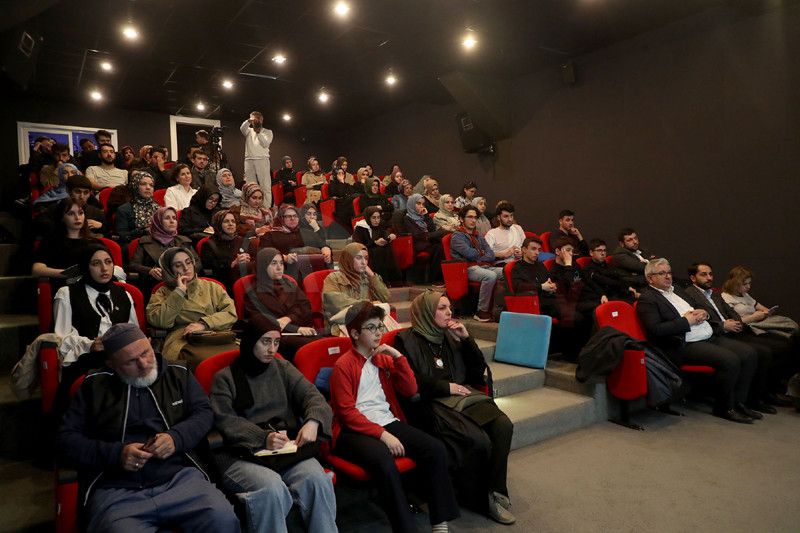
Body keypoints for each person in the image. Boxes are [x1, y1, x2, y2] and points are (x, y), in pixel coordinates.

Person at [56, 323, 239, 532]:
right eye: (131, 361)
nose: (144, 364)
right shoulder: (94, 386)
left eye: (146, 353)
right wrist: (117, 454)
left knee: (222, 519)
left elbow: (204, 413)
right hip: (117, 488)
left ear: (151, 344)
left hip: (178, 477)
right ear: (111, 364)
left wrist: (175, 438)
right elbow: (66, 439)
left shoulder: (178, 374)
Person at [330, 301, 460, 533]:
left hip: (386, 421)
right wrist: (382, 435)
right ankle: (405, 528)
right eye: (371, 328)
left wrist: (398, 356)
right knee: (384, 461)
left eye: (379, 326)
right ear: (355, 334)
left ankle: (440, 521)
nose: (378, 332)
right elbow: (347, 414)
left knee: (435, 449)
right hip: (352, 431)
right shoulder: (344, 365)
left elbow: (410, 390)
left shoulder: (382, 358)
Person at [395, 291, 515, 524]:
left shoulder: (449, 336)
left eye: (449, 307)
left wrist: (466, 339)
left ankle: (496, 489)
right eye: (442, 308)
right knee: (478, 440)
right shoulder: (405, 340)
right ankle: (481, 499)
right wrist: (444, 387)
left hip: (461, 397)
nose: (449, 312)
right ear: (426, 312)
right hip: (431, 402)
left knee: (503, 426)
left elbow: (476, 371)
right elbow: (408, 380)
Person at [209, 318, 336, 533]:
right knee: (271, 488)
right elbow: (225, 420)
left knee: (318, 480)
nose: (272, 349)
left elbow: (313, 397)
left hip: (283, 449)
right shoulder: (225, 378)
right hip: (241, 453)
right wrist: (262, 438)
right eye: (265, 341)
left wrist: (313, 421)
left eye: (276, 342)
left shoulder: (282, 367)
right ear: (250, 341)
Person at [636, 258, 760, 423]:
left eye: (669, 272)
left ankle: (739, 402)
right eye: (662, 273)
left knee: (750, 354)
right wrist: (686, 321)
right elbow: (656, 330)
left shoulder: (677, 290)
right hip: (684, 343)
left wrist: (704, 313)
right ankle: (725, 408)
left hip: (707, 334)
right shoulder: (647, 299)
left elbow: (700, 306)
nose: (668, 276)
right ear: (650, 278)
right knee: (731, 360)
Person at [685, 263, 789, 413]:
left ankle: (759, 396)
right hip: (716, 333)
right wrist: (723, 325)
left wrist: (735, 321)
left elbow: (731, 312)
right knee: (757, 352)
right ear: (693, 278)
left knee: (772, 349)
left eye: (711, 274)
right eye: (704, 274)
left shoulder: (715, 293)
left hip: (734, 330)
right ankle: (747, 399)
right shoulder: (689, 294)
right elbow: (700, 319)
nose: (709, 278)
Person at [52, 244, 139, 406]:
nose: (104, 268)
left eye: (108, 262)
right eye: (96, 263)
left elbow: (133, 331)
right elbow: (61, 340)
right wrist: (91, 345)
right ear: (86, 267)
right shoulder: (67, 293)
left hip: (121, 357)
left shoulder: (124, 294)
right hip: (85, 359)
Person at [146, 247, 237, 361]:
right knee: (203, 358)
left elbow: (230, 313)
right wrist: (179, 292)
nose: (186, 268)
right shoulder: (162, 292)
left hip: (217, 335)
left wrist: (204, 324)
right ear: (169, 270)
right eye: (178, 265)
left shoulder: (212, 287)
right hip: (183, 338)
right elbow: (161, 321)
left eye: (188, 262)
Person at [241, 249, 318, 361]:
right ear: (263, 266)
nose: (279, 267)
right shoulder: (252, 293)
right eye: (273, 263)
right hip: (274, 340)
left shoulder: (289, 284)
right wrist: (296, 329)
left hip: (301, 332)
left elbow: (305, 309)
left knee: (329, 344)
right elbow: (261, 324)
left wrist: (288, 319)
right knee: (316, 348)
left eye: (281, 263)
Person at [249, 204, 333, 281]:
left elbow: (323, 245)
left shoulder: (307, 233)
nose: (293, 218)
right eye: (288, 216)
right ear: (281, 218)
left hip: (309, 271)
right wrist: (284, 258)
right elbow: (263, 254)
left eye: (295, 216)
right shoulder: (270, 235)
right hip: (283, 274)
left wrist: (326, 250)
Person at [450, 205, 504, 322]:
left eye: (475, 217)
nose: (473, 220)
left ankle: (501, 309)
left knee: (508, 271)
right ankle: (481, 311)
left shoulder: (478, 235)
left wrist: (479, 254)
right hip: (467, 268)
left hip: (484, 266)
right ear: (461, 219)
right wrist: (481, 253)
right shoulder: (457, 236)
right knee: (490, 276)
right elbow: (470, 254)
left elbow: (491, 255)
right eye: (470, 217)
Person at [322, 243, 391, 335]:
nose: (364, 262)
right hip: (342, 324)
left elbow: (384, 298)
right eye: (359, 258)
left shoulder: (367, 279)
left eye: (366, 258)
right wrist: (367, 304)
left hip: (368, 321)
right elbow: (335, 303)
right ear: (349, 259)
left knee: (387, 327)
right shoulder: (333, 278)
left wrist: (372, 276)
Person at [32, 198, 101, 291]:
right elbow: (36, 269)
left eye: (80, 213)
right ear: (62, 218)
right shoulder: (51, 241)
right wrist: (68, 274)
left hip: (93, 289)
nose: (77, 217)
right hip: (65, 290)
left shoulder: (95, 242)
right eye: (71, 214)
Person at [127, 207, 198, 295]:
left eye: (174, 218)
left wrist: (186, 272)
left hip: (187, 284)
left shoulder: (184, 241)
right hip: (156, 286)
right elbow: (134, 265)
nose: (172, 221)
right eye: (167, 218)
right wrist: (150, 271)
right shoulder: (145, 242)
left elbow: (197, 262)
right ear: (158, 221)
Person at [722, 266, 800, 339]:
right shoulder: (725, 298)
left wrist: (767, 312)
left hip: (758, 322)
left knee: (789, 323)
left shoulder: (745, 295)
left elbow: (762, 308)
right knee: (785, 333)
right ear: (734, 283)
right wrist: (754, 317)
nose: (748, 287)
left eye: (749, 283)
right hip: (747, 327)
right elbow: (734, 323)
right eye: (745, 284)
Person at [34, 172, 105, 236]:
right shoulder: (55, 208)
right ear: (68, 191)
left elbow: (107, 232)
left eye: (86, 192)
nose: (81, 196)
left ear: (89, 194)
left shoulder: (96, 212)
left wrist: (100, 225)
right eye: (78, 192)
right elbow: (38, 225)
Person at [200, 209, 251, 293]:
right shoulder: (209, 245)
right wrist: (232, 264)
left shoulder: (244, 242)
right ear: (218, 224)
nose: (230, 224)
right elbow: (210, 270)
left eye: (233, 221)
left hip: (245, 283)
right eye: (226, 221)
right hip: (222, 285)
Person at [509, 237, 560, 318]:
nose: (537, 253)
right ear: (524, 249)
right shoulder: (518, 268)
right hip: (535, 303)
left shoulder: (540, 265)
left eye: (539, 250)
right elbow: (518, 286)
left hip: (550, 299)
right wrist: (542, 287)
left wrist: (552, 286)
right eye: (533, 249)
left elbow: (549, 280)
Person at [404, 193, 445, 284]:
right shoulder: (407, 218)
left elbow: (432, 229)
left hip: (427, 241)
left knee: (440, 244)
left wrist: (426, 216)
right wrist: (429, 235)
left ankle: (437, 278)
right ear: (412, 204)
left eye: (423, 204)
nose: (421, 206)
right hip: (416, 244)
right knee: (438, 247)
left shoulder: (422, 217)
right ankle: (435, 278)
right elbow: (416, 234)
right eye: (418, 203)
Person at [353, 206, 401, 283]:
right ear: (368, 217)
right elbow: (360, 245)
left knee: (385, 249)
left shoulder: (381, 224)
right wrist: (375, 243)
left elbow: (384, 235)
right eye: (373, 218)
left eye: (378, 217)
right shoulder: (361, 227)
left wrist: (389, 237)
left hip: (379, 249)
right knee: (378, 251)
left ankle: (392, 279)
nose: (376, 220)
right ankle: (381, 280)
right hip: (366, 250)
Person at [114, 169, 160, 245]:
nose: (148, 187)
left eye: (151, 185)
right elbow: (121, 237)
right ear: (135, 186)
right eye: (143, 184)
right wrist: (142, 231)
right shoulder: (124, 209)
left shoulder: (158, 208)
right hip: (136, 246)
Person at [241, 111, 273, 205]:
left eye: (257, 119)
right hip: (249, 159)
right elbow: (242, 128)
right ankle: (251, 206)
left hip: (262, 159)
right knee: (250, 185)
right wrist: (248, 121)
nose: (255, 121)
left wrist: (258, 132)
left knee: (265, 185)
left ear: (261, 120)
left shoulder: (268, 132)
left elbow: (265, 143)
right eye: (253, 119)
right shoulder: (249, 131)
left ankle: (266, 207)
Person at [485, 201, 525, 265]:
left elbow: (526, 247)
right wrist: (505, 254)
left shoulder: (518, 228)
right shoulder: (492, 233)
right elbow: (487, 253)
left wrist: (522, 253)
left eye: (511, 216)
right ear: (499, 217)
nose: (509, 219)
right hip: (503, 264)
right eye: (506, 216)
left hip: (520, 263)